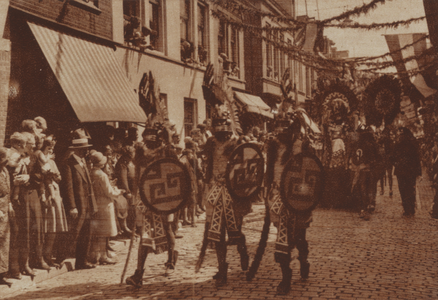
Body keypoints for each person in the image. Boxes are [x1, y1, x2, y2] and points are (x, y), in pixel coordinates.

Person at [126, 125, 179, 287]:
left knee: (167, 227)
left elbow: (174, 171)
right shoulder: (140, 154)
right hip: (145, 200)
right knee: (145, 234)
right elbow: (137, 178)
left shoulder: (165, 153)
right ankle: (139, 273)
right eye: (146, 139)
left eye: (152, 140)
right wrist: (135, 197)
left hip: (163, 199)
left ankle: (171, 258)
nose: (148, 143)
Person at [265, 116, 313, 295]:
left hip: (298, 199)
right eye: (278, 127)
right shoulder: (273, 146)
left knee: (300, 237)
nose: (280, 132)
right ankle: (286, 278)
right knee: (282, 239)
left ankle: (304, 260)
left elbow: (311, 172)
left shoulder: (302, 146)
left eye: (284, 127)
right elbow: (269, 172)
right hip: (278, 199)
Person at [59, 128, 97, 269]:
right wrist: (72, 206)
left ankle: (82, 261)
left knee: (86, 233)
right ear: (76, 150)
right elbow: (68, 187)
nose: (86, 151)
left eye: (86, 149)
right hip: (78, 204)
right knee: (73, 232)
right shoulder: (69, 164)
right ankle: (61, 257)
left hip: (87, 203)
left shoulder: (83, 162)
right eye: (83, 149)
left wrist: (93, 204)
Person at [89, 151, 123, 265]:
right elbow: (109, 192)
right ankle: (103, 255)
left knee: (98, 233)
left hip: (96, 204)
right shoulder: (102, 175)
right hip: (105, 205)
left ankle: (97, 254)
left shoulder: (91, 172)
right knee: (104, 233)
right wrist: (118, 192)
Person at [40, 136, 68, 267]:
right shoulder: (40, 160)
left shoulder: (51, 161)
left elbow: (59, 177)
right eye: (48, 148)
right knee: (47, 227)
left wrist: (56, 176)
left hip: (55, 194)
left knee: (55, 227)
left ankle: (49, 254)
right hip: (46, 194)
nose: (50, 151)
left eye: (52, 149)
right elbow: (43, 178)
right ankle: (43, 256)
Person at [5, 132, 27, 279]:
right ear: (19, 144)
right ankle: (13, 268)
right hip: (11, 200)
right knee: (13, 234)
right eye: (24, 144)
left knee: (16, 234)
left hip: (16, 198)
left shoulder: (17, 155)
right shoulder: (13, 156)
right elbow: (11, 179)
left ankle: (15, 267)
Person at [349, 126, 379, 220]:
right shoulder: (370, 145)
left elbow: (354, 157)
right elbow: (374, 158)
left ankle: (363, 208)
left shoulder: (357, 145)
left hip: (360, 170)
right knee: (367, 189)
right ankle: (368, 206)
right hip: (368, 170)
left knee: (361, 189)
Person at [393, 127, 422, 216]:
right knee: (411, 188)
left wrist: (396, 164)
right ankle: (411, 208)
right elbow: (417, 157)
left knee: (403, 189)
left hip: (401, 170)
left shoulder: (398, 142)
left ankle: (406, 209)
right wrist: (419, 172)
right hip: (411, 170)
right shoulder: (413, 142)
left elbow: (393, 155)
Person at [114, 145, 136, 235]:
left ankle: (133, 228)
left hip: (133, 189)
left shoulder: (130, 162)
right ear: (129, 154)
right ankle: (129, 230)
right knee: (128, 209)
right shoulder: (122, 163)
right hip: (127, 190)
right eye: (133, 152)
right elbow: (123, 179)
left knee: (133, 209)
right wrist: (127, 191)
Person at [0, 147, 12, 286]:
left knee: (4, 241)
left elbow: (7, 191)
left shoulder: (5, 171)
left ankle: (2, 272)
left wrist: (9, 204)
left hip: (5, 212)